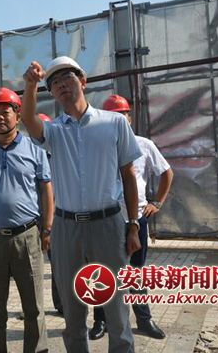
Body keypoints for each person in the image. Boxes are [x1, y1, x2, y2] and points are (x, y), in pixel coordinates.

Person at [22, 56, 142, 353]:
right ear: (52, 92)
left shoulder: (114, 123)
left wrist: (133, 225)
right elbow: (28, 121)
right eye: (54, 82)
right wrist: (30, 86)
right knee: (72, 307)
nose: (61, 85)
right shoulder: (54, 131)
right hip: (66, 227)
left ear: (83, 81)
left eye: (67, 77)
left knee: (116, 305)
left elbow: (128, 175)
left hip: (108, 224)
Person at [0, 87, 53, 353]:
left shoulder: (35, 150)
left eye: (5, 112)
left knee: (34, 308)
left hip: (27, 237)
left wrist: (47, 229)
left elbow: (46, 191)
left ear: (17, 115)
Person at [89, 95, 174, 340]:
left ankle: (144, 320)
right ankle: (100, 321)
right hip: (105, 221)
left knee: (135, 272)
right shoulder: (97, 148)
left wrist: (157, 202)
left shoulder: (143, 145)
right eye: (113, 116)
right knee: (102, 272)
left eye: (123, 115)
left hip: (135, 219)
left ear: (129, 118)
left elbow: (167, 172)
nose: (119, 120)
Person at [35, 113, 63, 316]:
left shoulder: (59, 156)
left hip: (55, 216)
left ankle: (61, 303)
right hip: (31, 217)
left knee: (58, 262)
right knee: (31, 266)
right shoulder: (28, 155)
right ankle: (32, 306)